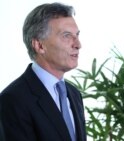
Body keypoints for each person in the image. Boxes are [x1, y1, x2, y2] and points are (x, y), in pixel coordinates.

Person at [0, 2, 87, 141]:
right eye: (66, 35)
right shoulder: (13, 100)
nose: (78, 44)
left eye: (77, 35)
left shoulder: (74, 94)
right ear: (39, 45)